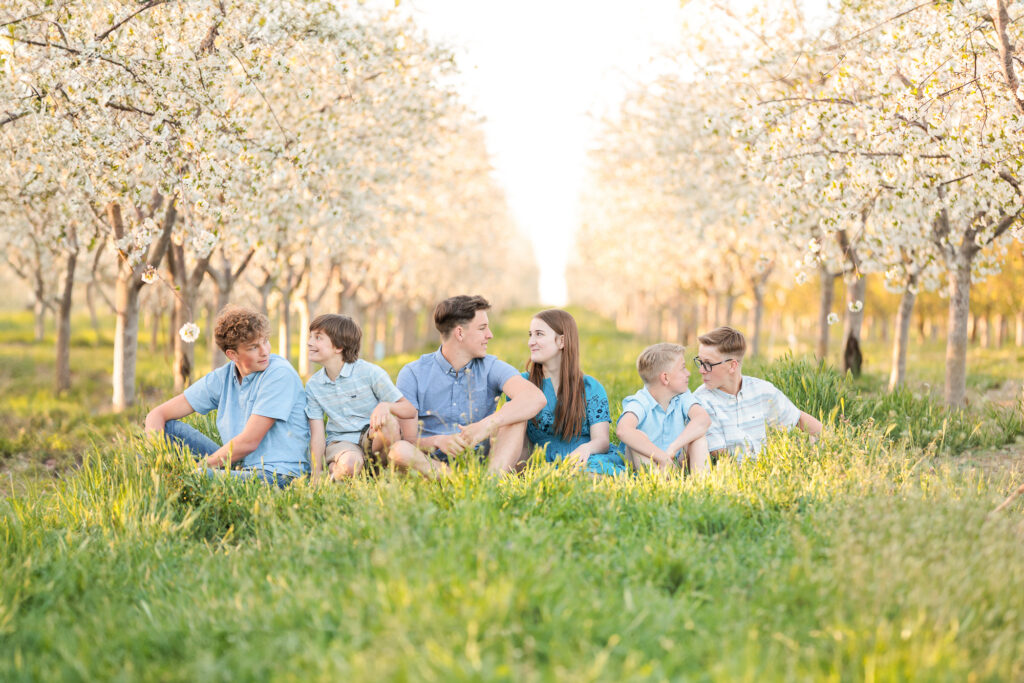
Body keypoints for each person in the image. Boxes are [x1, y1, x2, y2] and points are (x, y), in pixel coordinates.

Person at [144, 305, 310, 487]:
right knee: (169, 429)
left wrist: (194, 471)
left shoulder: (279, 374)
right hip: (240, 466)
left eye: (265, 341)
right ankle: (159, 479)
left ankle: (179, 480)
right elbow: (157, 414)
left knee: (197, 478)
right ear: (232, 354)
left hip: (278, 474)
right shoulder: (223, 377)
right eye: (254, 347)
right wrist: (156, 459)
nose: (265, 351)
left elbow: (248, 442)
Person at [388, 295, 546, 476]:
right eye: (482, 328)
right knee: (399, 450)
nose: (490, 335)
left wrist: (486, 425)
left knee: (515, 416)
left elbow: (535, 398)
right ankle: (456, 479)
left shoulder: (491, 366)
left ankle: (491, 481)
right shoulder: (413, 373)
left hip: (481, 461)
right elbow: (408, 440)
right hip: (430, 463)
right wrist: (439, 441)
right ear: (460, 333)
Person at [305, 314, 416, 481]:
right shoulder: (314, 385)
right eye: (310, 337)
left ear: (339, 347)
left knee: (390, 424)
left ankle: (377, 472)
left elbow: (409, 410)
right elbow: (318, 434)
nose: (309, 342)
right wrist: (315, 476)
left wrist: (387, 406)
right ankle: (344, 469)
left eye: (318, 338)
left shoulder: (370, 373)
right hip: (341, 443)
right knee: (350, 464)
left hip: (372, 438)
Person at [693, 326, 822, 460]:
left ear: (732, 366)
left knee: (813, 444)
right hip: (736, 472)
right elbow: (720, 454)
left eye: (708, 364)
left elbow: (797, 418)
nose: (701, 370)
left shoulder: (762, 390)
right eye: (700, 362)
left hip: (768, 467)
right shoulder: (701, 401)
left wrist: (831, 440)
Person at [522, 309, 625, 474]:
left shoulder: (590, 387)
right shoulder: (522, 384)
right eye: (530, 335)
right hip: (544, 463)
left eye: (539, 334)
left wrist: (586, 449)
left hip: (587, 458)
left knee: (589, 473)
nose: (531, 342)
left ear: (562, 341)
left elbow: (602, 440)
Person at [616, 343, 712, 474]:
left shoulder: (682, 396)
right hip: (647, 462)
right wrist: (662, 458)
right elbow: (623, 430)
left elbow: (703, 419)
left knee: (698, 437)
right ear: (665, 378)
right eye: (683, 368)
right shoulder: (640, 402)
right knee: (637, 436)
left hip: (675, 460)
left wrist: (673, 448)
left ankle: (701, 482)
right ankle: (657, 484)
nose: (688, 373)